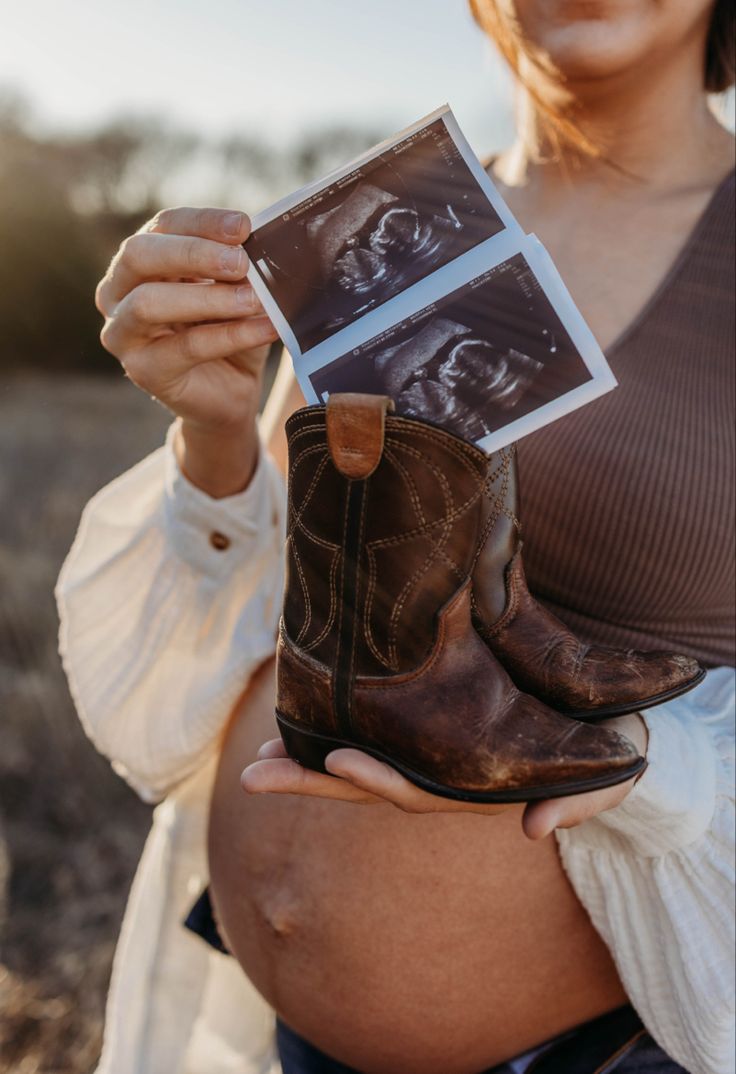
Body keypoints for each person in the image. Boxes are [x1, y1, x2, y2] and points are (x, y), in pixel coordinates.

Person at [56, 0, 735, 1071]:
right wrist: (216, 431)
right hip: (283, 1028)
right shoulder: (387, 225)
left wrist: (667, 773)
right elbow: (285, 579)